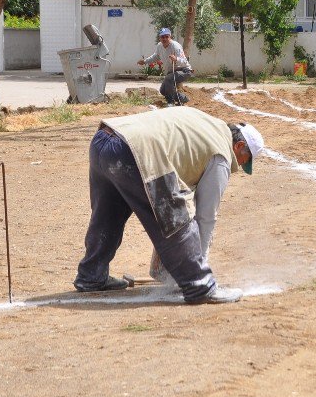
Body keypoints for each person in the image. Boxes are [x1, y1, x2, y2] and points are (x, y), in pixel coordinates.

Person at [73, 106, 265, 304]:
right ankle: (199, 285)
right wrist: (200, 262)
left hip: (104, 140)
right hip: (137, 151)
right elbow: (204, 216)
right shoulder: (221, 153)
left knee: (108, 216)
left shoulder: (208, 124)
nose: (240, 166)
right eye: (245, 160)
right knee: (176, 218)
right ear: (239, 145)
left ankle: (91, 275)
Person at [138, 27, 193, 105]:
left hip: (185, 71)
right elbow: (155, 56)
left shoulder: (175, 46)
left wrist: (176, 59)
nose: (164, 39)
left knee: (168, 79)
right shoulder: (159, 46)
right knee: (163, 91)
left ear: (170, 37)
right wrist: (144, 61)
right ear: (159, 38)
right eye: (162, 37)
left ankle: (171, 102)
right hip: (172, 72)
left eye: (166, 36)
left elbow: (184, 62)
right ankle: (183, 98)